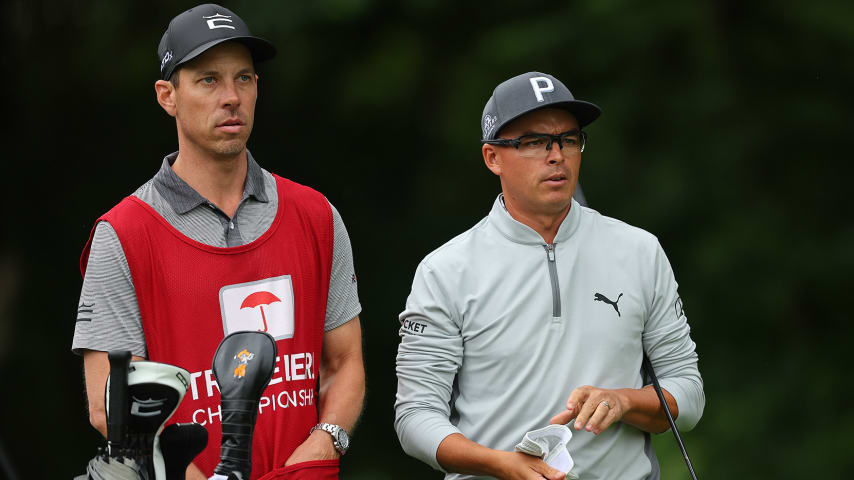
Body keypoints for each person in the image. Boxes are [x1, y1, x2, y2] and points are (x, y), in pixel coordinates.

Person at [72, 4, 365, 479]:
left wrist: (326, 441)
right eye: (208, 80)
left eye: (243, 79)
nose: (231, 96)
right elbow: (111, 407)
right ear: (167, 96)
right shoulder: (123, 234)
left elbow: (344, 360)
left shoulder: (315, 215)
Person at [395, 72, 704, 480]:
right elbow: (415, 418)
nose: (556, 155)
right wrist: (499, 464)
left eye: (568, 140)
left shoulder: (639, 250)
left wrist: (625, 400)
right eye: (534, 142)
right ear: (493, 158)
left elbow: (688, 394)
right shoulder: (445, 270)